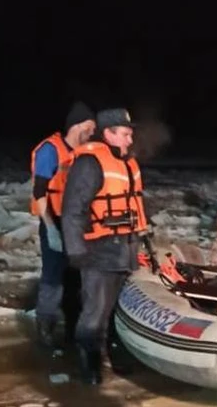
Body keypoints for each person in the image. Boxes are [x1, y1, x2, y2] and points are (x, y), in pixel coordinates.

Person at [61, 108, 147, 385]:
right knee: (94, 313)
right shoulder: (89, 162)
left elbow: (133, 203)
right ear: (108, 133)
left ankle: (110, 358)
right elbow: (73, 209)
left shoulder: (125, 162)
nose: (129, 140)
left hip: (125, 249)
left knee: (113, 312)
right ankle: (90, 370)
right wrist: (75, 250)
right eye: (125, 134)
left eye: (130, 134)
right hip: (98, 250)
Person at [29, 101, 96, 352]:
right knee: (53, 278)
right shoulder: (50, 150)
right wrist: (51, 228)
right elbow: (39, 192)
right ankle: (45, 330)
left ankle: (72, 332)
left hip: (77, 224)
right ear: (77, 126)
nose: (92, 133)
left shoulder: (85, 151)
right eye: (90, 128)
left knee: (76, 278)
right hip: (54, 221)